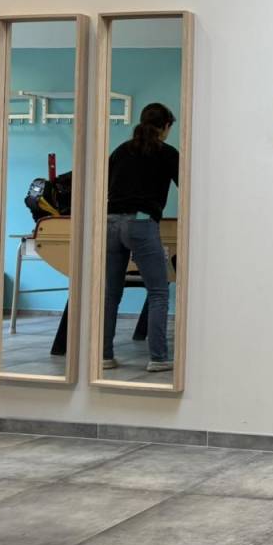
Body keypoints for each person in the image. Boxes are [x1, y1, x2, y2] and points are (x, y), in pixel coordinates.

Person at [103, 103, 179, 371]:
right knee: (158, 292)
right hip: (142, 223)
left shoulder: (121, 151)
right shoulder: (167, 153)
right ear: (166, 126)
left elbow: (106, 184)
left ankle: (104, 356)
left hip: (110, 222)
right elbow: (189, 186)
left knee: (110, 294)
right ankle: (158, 358)